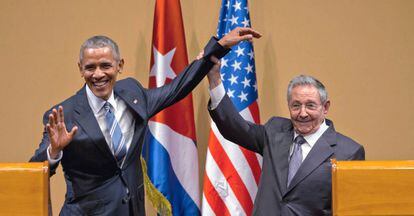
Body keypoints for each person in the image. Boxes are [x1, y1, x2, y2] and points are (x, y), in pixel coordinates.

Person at [29, 27, 261, 216]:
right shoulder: (63, 115)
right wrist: (54, 151)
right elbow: (33, 171)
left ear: (119, 65)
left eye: (105, 66)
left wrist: (218, 47)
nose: (98, 74)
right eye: (90, 67)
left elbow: (176, 89)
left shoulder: (132, 93)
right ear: (80, 69)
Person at [206, 61, 365, 215]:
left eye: (310, 105)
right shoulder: (275, 131)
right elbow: (235, 128)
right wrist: (214, 79)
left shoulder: (349, 152)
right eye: (296, 105)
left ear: (325, 107)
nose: (302, 113)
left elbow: (351, 210)